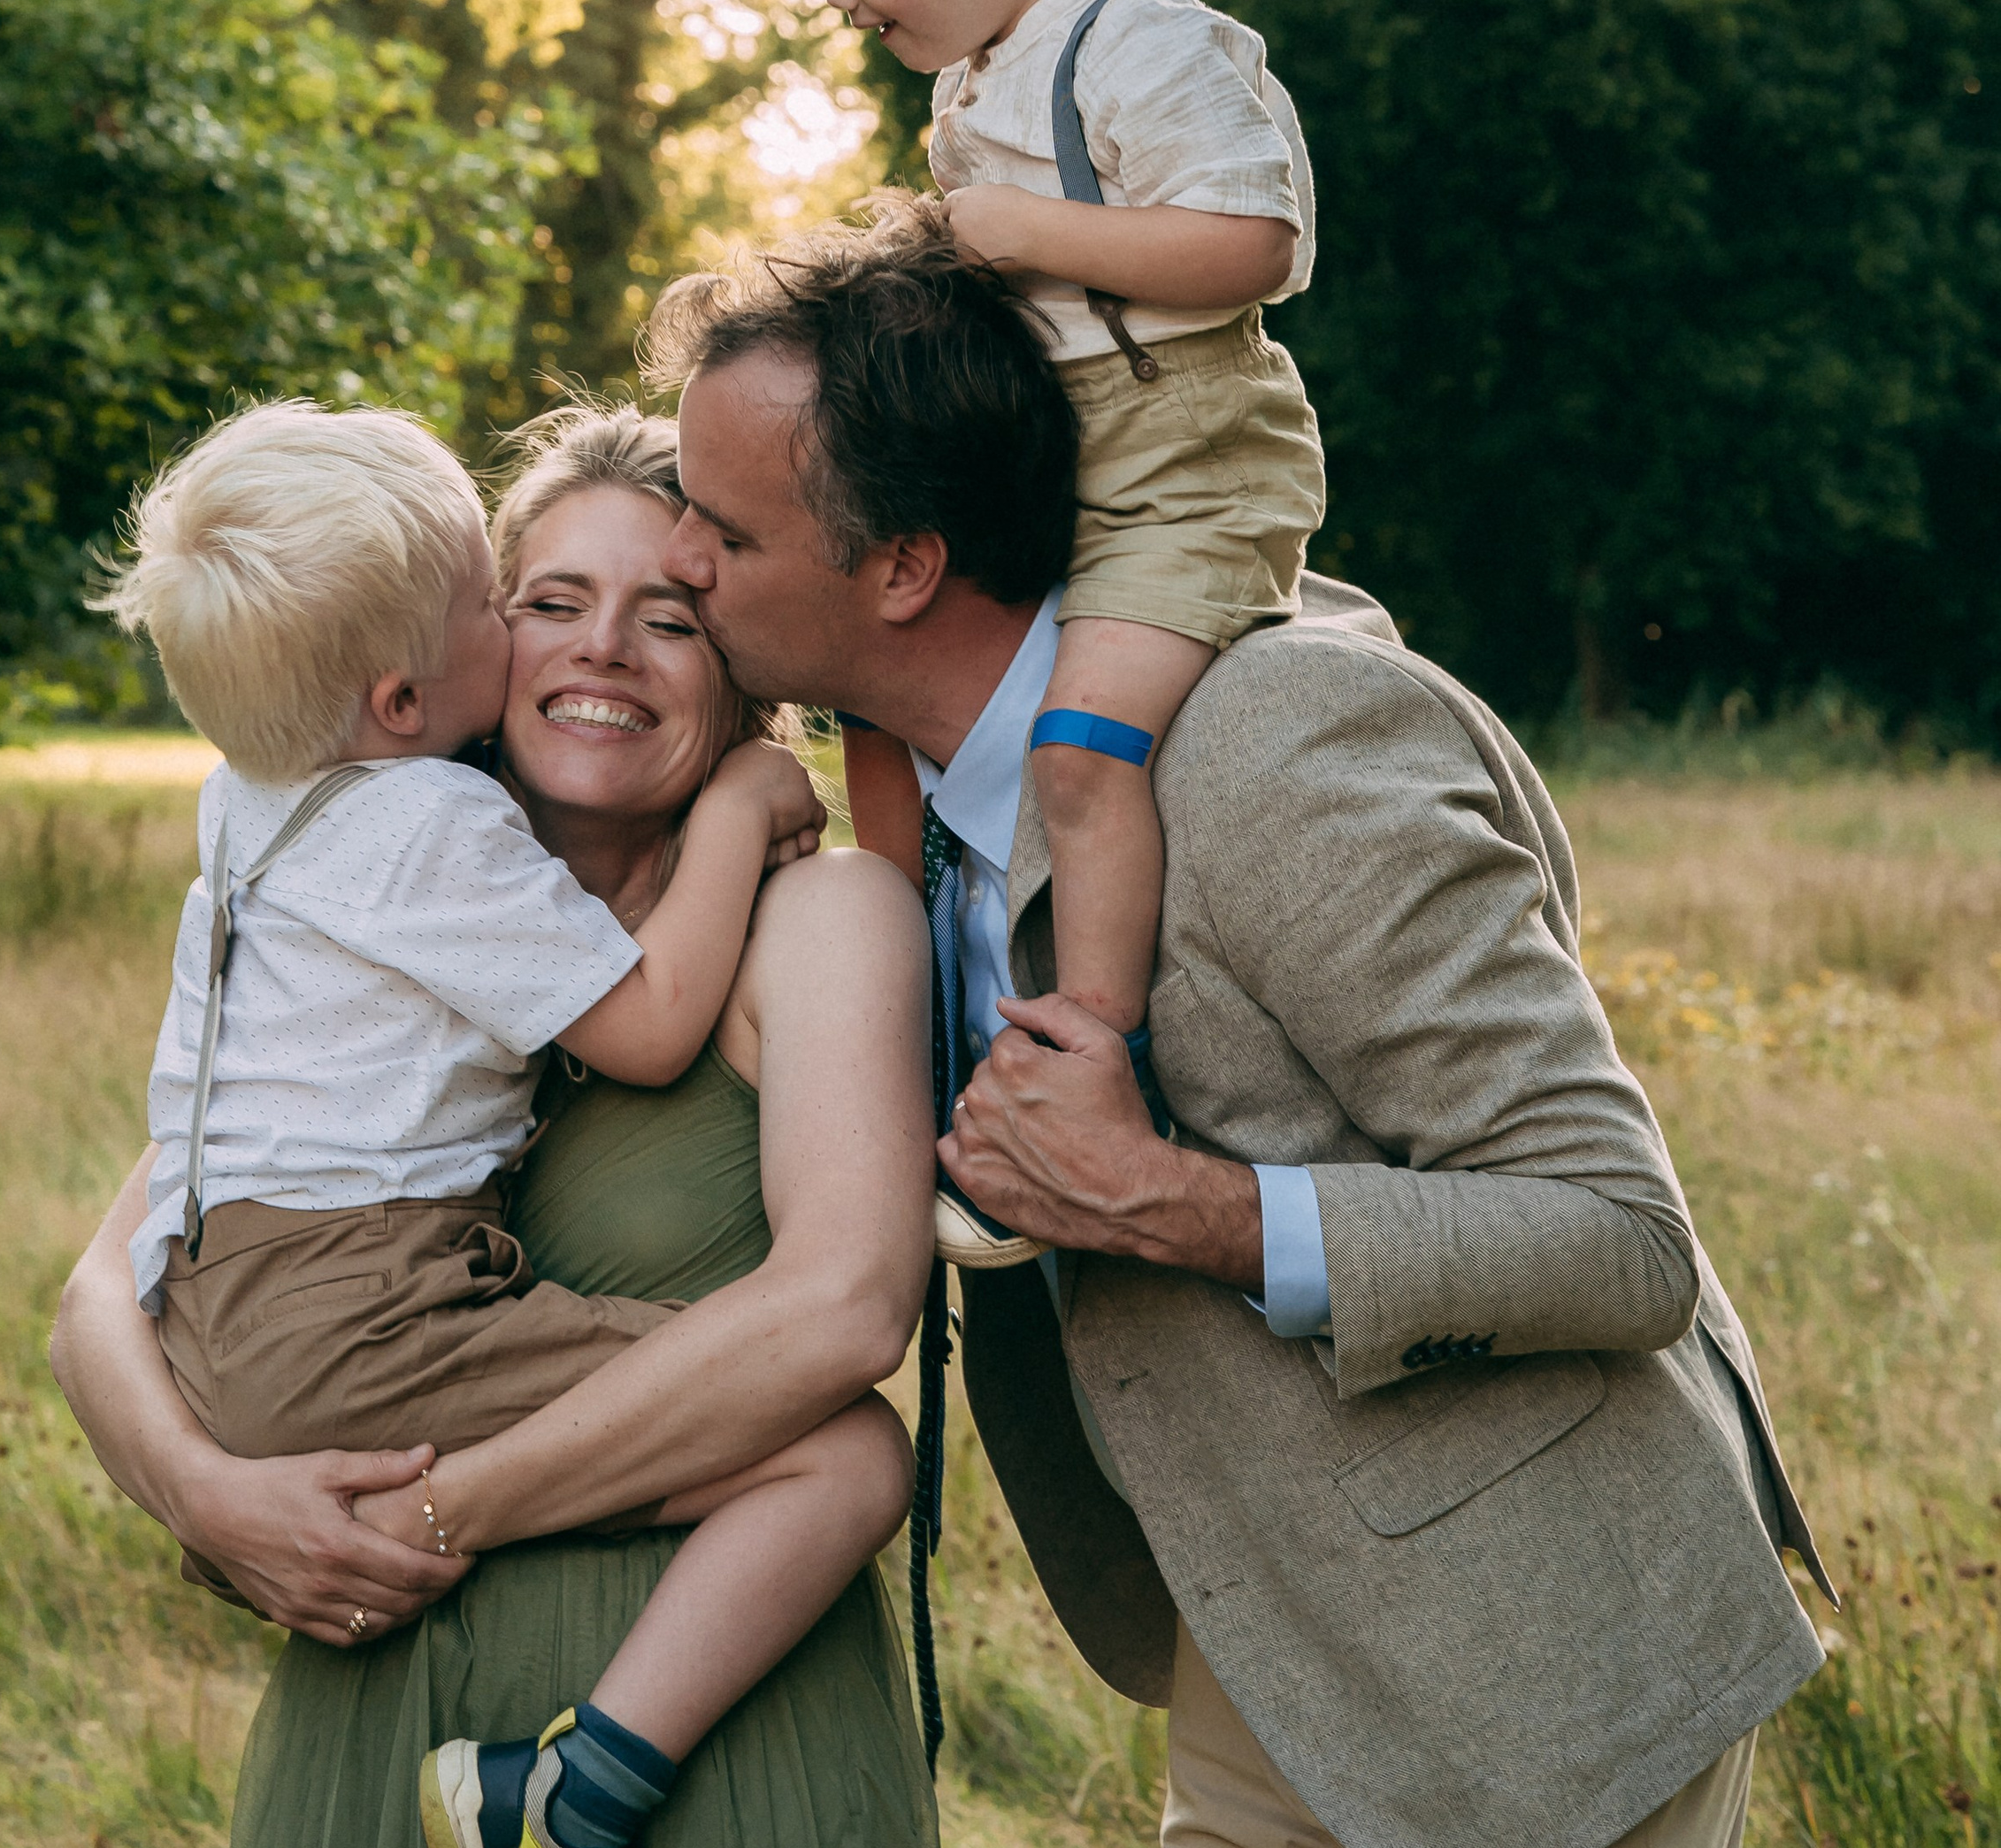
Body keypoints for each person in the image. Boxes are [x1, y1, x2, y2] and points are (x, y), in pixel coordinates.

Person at [647, 202, 1837, 1848]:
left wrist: (1173, 1205)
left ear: (905, 567)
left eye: (722, 530)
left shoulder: (1275, 745)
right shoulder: (900, 796)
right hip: (1269, 1647)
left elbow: (1621, 1241)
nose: (678, 559)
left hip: (1544, 1666)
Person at [53, 403, 939, 1848]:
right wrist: (209, 1502)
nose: (605, 650)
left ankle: (590, 1776)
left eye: (671, 618)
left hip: (714, 1730)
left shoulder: (814, 918)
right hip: (384, 1702)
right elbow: (100, 1293)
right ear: (440, 666)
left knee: (845, 1454)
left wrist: (421, 1518)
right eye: (548, 603)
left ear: (745, 664)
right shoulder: (373, 948)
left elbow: (844, 1312)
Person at [756, 0, 1325, 1265]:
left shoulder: (1143, 45)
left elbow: (1258, 242)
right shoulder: (976, 80)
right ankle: (920, 1043)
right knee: (880, 712)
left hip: (1181, 474)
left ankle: (1090, 1067)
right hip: (1054, 464)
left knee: (1079, 759)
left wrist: (1020, 232)